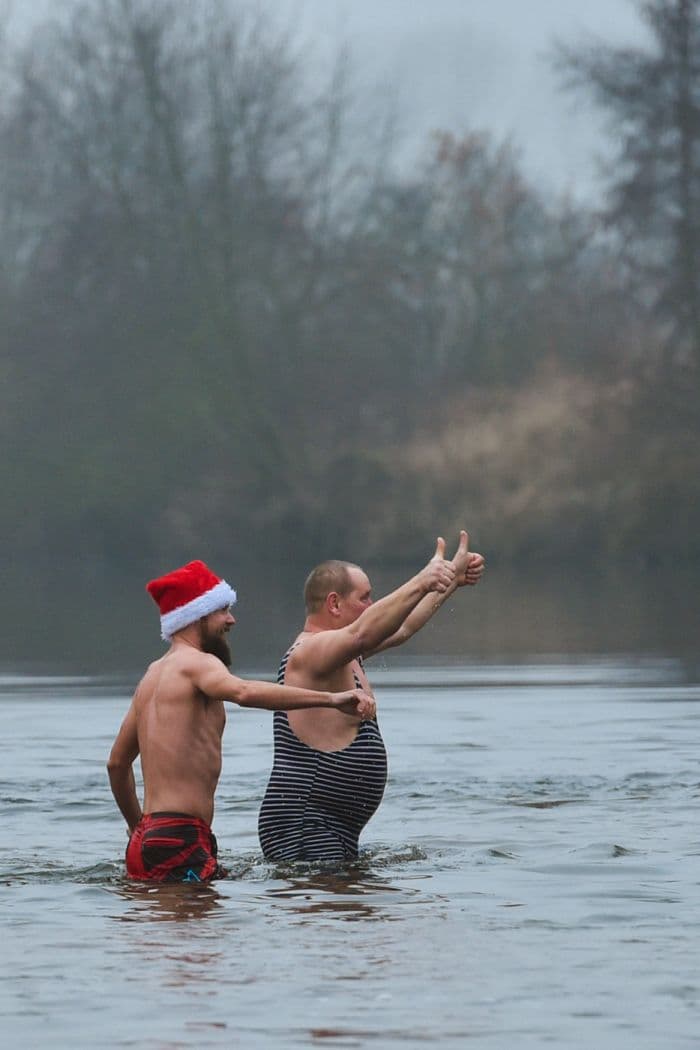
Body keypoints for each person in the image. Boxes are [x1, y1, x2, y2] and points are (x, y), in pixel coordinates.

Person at [107, 559, 379, 884]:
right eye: (223, 610)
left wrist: (139, 827)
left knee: (169, 931)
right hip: (180, 836)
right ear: (198, 615)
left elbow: (117, 764)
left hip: (151, 840)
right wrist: (331, 699)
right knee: (196, 934)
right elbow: (244, 691)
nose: (231, 620)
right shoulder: (198, 664)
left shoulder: (151, 677)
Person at [257, 531, 484, 864]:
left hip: (334, 827)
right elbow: (363, 632)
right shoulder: (309, 653)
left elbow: (401, 628)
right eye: (364, 598)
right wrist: (422, 581)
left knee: (353, 910)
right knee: (334, 913)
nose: (372, 606)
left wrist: (450, 581)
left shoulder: (346, 653)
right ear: (334, 603)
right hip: (304, 825)